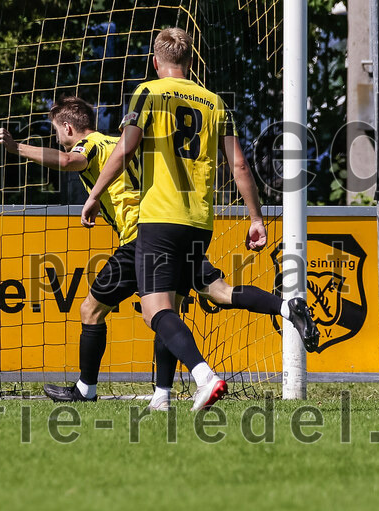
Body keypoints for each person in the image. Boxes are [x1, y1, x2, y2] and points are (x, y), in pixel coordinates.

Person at [0, 95, 318, 410]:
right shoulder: (121, 143)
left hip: (141, 239)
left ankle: (87, 388)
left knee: (93, 310)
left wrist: (18, 148)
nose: (60, 141)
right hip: (173, 226)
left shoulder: (92, 146)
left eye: (58, 135)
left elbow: (70, 161)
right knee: (216, 293)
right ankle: (286, 308)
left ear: (68, 129)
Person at [82, 27, 319, 412]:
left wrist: (94, 195)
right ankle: (284, 308)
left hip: (159, 217)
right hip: (199, 221)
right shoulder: (214, 103)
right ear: (191, 62)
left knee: (155, 309)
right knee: (211, 291)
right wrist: (256, 218)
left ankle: (204, 377)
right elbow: (239, 164)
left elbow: (125, 150)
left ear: (156, 62)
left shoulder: (149, 92)